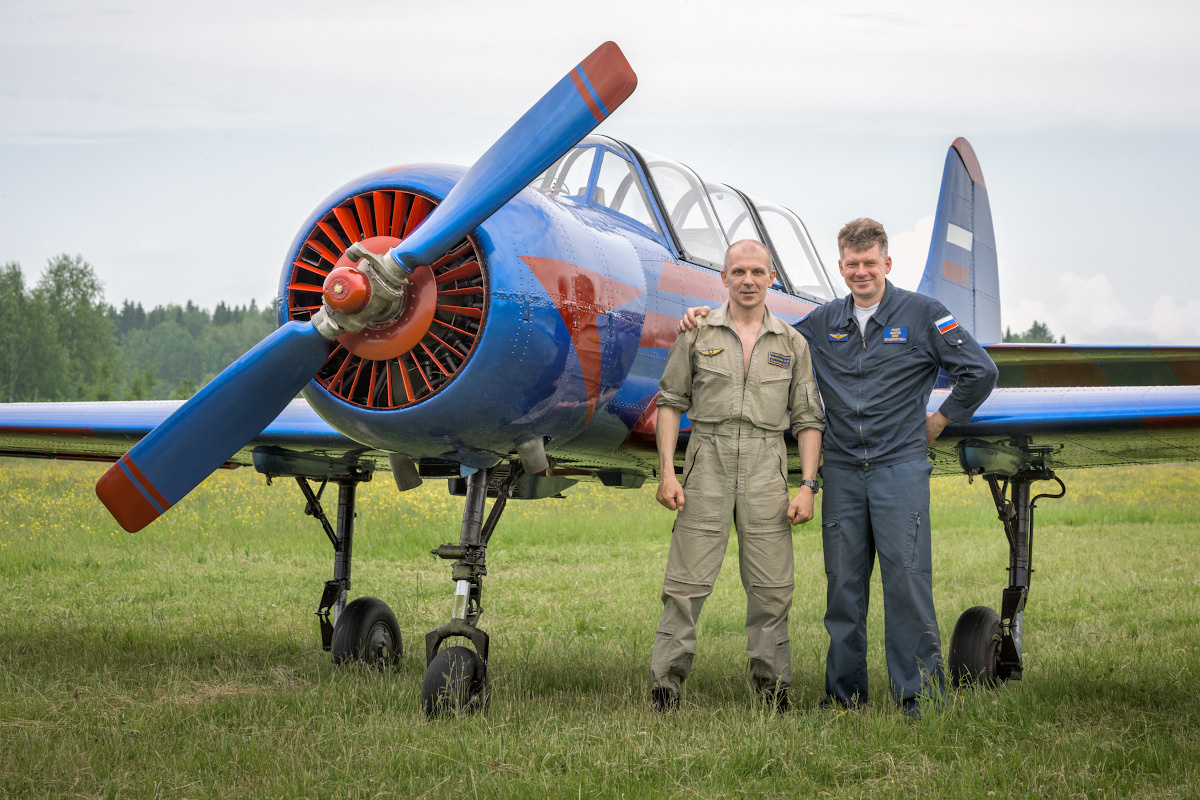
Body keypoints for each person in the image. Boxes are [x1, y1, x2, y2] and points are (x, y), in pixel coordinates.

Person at [680, 219, 997, 717]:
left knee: (906, 583)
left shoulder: (924, 314)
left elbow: (981, 371)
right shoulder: (823, 321)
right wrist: (706, 315)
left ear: (887, 264)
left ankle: (919, 700)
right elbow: (765, 333)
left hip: (899, 468)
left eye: (871, 263)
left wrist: (940, 419)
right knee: (843, 589)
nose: (862, 272)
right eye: (852, 264)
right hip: (844, 472)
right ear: (841, 266)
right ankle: (844, 698)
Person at [651, 239, 824, 713]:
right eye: (738, 272)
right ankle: (667, 685)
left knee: (771, 587)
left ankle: (773, 687)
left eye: (757, 272)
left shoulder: (792, 343)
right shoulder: (697, 332)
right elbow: (669, 404)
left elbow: (809, 419)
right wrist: (668, 473)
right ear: (723, 277)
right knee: (685, 583)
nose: (748, 281)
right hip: (707, 458)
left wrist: (807, 486)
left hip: (767, 464)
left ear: (772, 279)